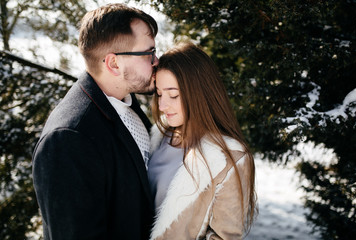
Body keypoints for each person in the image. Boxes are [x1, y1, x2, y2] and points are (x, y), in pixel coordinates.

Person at [32, 3, 158, 239]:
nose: (156, 60)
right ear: (113, 63)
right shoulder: (68, 138)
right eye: (148, 53)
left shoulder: (125, 100)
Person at [147, 42, 257, 239]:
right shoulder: (158, 136)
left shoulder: (231, 157)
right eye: (160, 94)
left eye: (173, 95)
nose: (162, 105)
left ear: (199, 93)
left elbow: (224, 236)